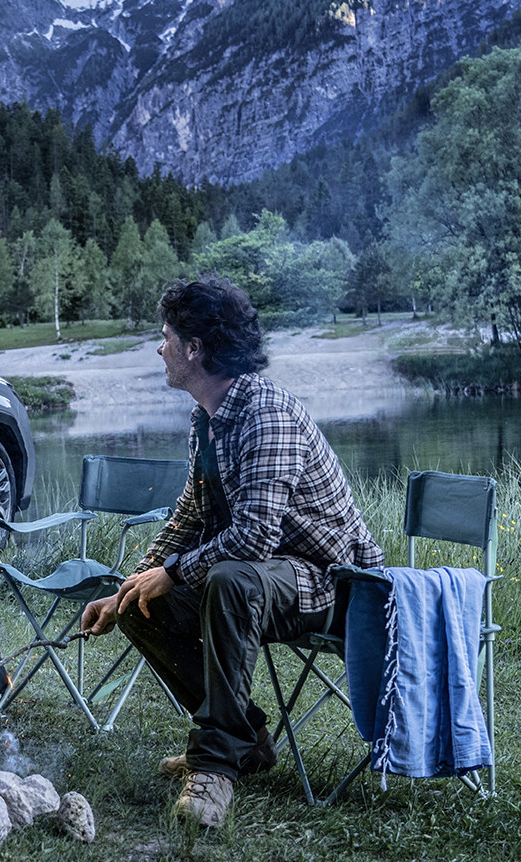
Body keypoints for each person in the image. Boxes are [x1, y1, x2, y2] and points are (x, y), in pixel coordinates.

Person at [78, 274, 384, 828]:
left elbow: (253, 539)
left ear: (194, 349)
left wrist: (173, 573)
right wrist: (130, 585)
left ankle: (215, 767)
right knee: (142, 607)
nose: (159, 347)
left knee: (230, 579)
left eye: (166, 335)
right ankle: (247, 740)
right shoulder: (208, 419)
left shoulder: (267, 414)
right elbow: (191, 515)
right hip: (264, 575)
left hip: (333, 580)